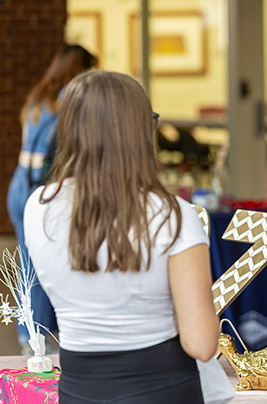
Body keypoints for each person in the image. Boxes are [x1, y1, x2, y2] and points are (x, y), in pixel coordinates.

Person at [23, 70, 219, 403]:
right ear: (140, 131)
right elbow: (201, 344)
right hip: (163, 389)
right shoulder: (174, 216)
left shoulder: (38, 207)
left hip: (78, 389)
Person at [6, 44, 97, 353]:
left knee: (28, 263)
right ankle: (37, 337)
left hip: (19, 185)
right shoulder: (67, 100)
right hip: (42, 189)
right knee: (44, 263)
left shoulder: (37, 99)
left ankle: (29, 334)